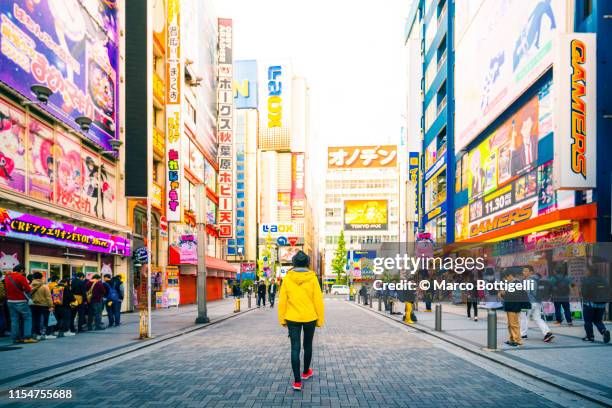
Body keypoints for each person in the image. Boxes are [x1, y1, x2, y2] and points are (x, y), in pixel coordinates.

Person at [278, 251, 324, 392]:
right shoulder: (312, 278)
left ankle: (297, 382)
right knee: (308, 345)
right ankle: (305, 372)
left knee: (295, 348)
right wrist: (320, 320)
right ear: (307, 263)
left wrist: (282, 319)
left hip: (292, 317)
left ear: (294, 263)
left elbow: (282, 301)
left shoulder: (288, 278)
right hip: (310, 317)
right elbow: (318, 300)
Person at [4, 265, 37, 344]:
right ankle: (27, 337)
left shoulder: (7, 277)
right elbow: (28, 289)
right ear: (21, 270)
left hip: (10, 301)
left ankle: (15, 338)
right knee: (27, 318)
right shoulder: (21, 277)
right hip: (21, 301)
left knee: (14, 320)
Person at [520, 266, 554, 342]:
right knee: (538, 318)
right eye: (523, 271)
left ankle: (523, 335)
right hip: (537, 303)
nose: (523, 272)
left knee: (524, 318)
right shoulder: (538, 279)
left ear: (531, 272)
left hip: (528, 303)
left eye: (525, 271)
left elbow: (526, 292)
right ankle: (547, 332)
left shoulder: (528, 280)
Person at [581, 266, 610, 343]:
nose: (585, 272)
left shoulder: (587, 280)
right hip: (601, 304)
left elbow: (584, 293)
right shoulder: (604, 280)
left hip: (589, 304)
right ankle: (604, 331)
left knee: (588, 321)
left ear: (590, 271)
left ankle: (590, 336)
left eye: (586, 270)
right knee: (598, 320)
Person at [502, 271, 531, 347]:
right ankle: (512, 339)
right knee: (510, 324)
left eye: (506, 278)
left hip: (514, 307)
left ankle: (518, 340)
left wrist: (505, 293)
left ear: (510, 275)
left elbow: (516, 295)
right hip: (510, 306)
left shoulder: (516, 283)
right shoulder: (511, 283)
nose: (506, 280)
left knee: (514, 324)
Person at [30, 272, 56, 340]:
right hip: (44, 305)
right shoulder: (44, 286)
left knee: (35, 319)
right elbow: (48, 297)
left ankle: (36, 334)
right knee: (47, 319)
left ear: (33, 278)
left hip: (33, 305)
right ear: (41, 278)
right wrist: (51, 306)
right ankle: (48, 334)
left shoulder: (30, 286)